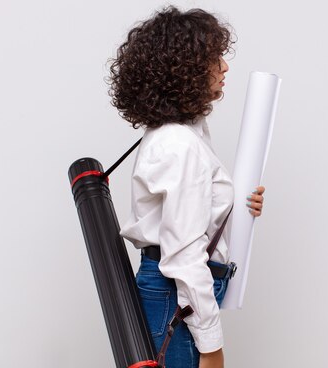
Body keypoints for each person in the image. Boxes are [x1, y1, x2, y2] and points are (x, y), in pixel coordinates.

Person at [108, 6, 265, 368]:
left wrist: (237, 207)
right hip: (174, 297)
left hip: (172, 296)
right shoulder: (180, 144)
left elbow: (189, 218)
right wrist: (211, 346)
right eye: (214, 58)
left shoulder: (182, 133)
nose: (225, 67)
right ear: (186, 68)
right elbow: (182, 255)